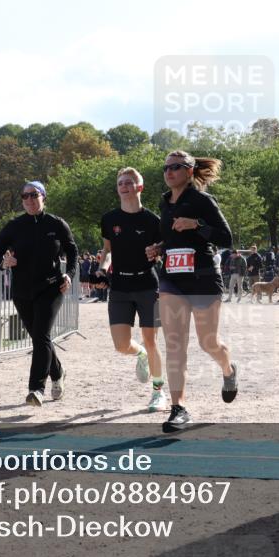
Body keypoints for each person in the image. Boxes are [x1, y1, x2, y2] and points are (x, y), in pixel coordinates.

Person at [144, 150, 237, 432]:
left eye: (176, 167)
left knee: (208, 343)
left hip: (203, 278)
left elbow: (226, 238)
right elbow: (172, 237)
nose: (169, 171)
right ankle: (178, 408)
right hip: (172, 278)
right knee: (175, 345)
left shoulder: (202, 200)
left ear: (189, 170)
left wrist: (196, 224)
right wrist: (159, 248)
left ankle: (229, 369)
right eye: (166, 168)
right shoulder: (164, 202)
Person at [0, 181, 78, 407]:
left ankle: (36, 389)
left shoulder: (57, 224)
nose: (29, 199)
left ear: (43, 197)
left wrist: (69, 274)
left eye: (34, 195)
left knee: (41, 337)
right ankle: (58, 373)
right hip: (22, 291)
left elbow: (72, 250)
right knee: (40, 338)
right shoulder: (14, 225)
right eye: (25, 196)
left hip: (51, 288)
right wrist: (3, 262)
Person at [99, 167, 168, 412]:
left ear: (140, 186)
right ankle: (140, 355)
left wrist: (157, 250)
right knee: (121, 346)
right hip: (119, 286)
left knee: (151, 341)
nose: (124, 185)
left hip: (147, 285)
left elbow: (164, 248)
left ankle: (159, 392)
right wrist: (101, 268)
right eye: (120, 183)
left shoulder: (153, 220)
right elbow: (108, 251)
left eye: (129, 182)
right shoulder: (109, 219)